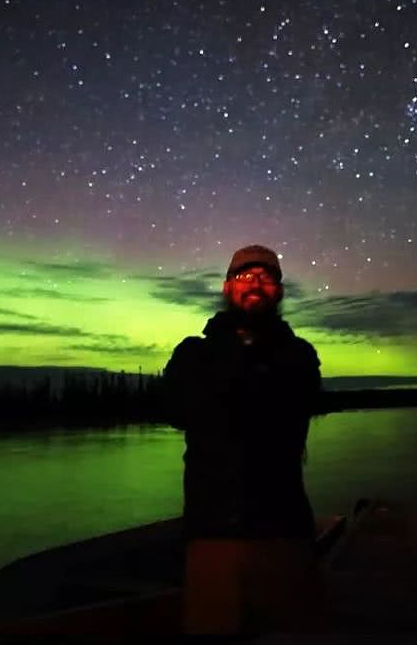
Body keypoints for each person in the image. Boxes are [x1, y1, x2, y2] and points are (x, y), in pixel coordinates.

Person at [161, 244, 330, 635]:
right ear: (226, 288)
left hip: (285, 532)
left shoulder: (298, 355)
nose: (255, 283)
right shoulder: (193, 353)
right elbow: (176, 410)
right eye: (245, 276)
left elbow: (292, 403)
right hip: (212, 534)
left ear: (280, 293)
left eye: (266, 277)